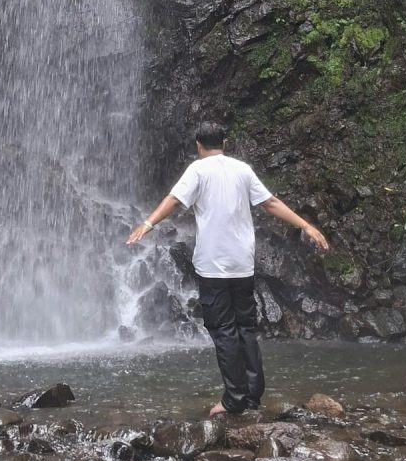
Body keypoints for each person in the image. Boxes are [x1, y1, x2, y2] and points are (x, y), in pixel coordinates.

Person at [125, 120, 329, 418]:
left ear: (198, 145)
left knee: (223, 331)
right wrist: (306, 226)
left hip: (213, 267)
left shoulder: (197, 170)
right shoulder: (242, 170)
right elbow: (270, 203)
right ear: (225, 143)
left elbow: (174, 200)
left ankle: (234, 399)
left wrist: (147, 223)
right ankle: (252, 394)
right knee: (245, 328)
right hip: (242, 264)